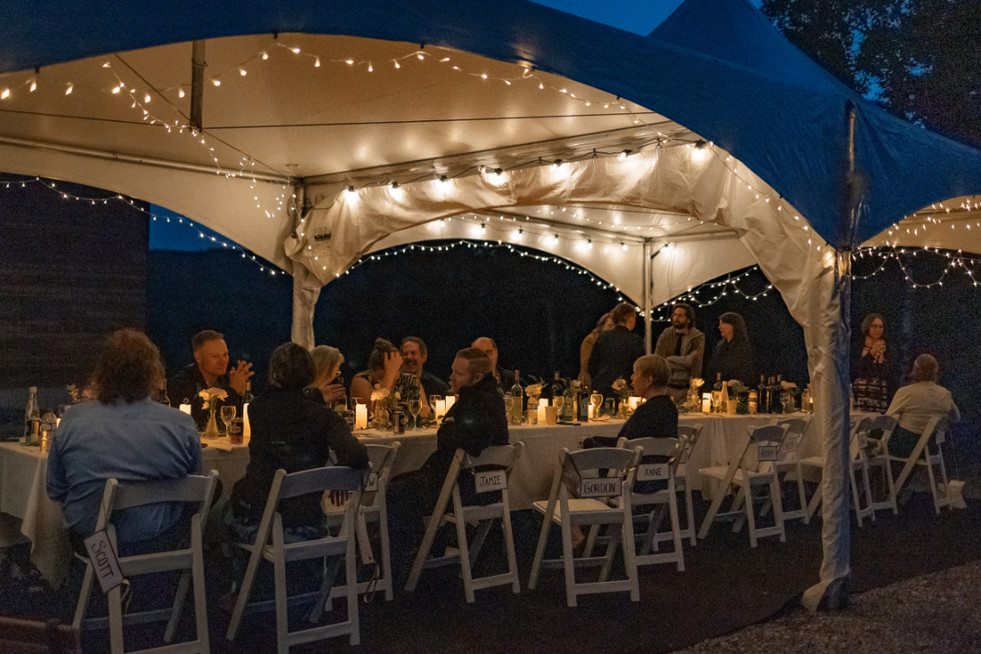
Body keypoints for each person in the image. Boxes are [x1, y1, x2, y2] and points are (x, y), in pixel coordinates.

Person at [47, 329, 202, 551]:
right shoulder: (181, 424)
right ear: (153, 373)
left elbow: (55, 489)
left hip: (93, 543)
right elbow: (194, 489)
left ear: (102, 373)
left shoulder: (73, 419)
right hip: (157, 542)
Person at [229, 343, 368, 538]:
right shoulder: (324, 416)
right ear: (310, 375)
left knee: (224, 512)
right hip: (308, 524)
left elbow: (276, 399)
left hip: (261, 526)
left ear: (275, 374)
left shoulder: (257, 410)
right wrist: (340, 477)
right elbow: (357, 455)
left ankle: (246, 567)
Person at [388, 347, 509, 545]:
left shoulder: (478, 402)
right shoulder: (489, 398)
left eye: (458, 373)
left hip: (465, 489)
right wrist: (450, 426)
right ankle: (428, 549)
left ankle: (407, 560)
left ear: (477, 377)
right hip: (486, 487)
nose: (451, 377)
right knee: (402, 482)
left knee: (395, 491)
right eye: (452, 370)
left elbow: (467, 439)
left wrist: (449, 427)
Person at [167, 329, 253, 431]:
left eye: (225, 354)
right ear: (198, 358)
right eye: (215, 356)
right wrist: (232, 392)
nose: (223, 361)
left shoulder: (227, 380)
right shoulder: (182, 383)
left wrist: (242, 395)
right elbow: (203, 421)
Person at [885, 354, 960, 460]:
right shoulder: (945, 394)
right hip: (932, 448)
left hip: (906, 447)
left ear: (915, 370)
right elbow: (956, 418)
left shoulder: (906, 392)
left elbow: (887, 419)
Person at [587, 302, 644, 399]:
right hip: (624, 392)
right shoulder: (635, 340)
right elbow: (640, 368)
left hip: (600, 389)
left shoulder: (603, 336)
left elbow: (592, 364)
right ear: (631, 317)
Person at [654, 302, 706, 403]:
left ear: (688, 319)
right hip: (667, 387)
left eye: (680, 315)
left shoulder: (697, 336)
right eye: (675, 315)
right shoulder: (666, 334)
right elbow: (659, 361)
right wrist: (685, 361)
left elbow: (694, 364)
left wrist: (669, 359)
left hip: (685, 389)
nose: (676, 318)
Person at [853, 313, 892, 412]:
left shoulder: (888, 349)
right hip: (860, 396)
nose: (878, 329)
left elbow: (889, 373)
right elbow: (855, 369)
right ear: (867, 327)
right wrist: (871, 354)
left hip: (880, 397)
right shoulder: (858, 347)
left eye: (880, 327)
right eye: (874, 326)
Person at [705, 312, 755, 387]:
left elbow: (745, 371)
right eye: (719, 324)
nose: (720, 327)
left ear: (734, 325)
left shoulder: (743, 347)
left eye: (723, 324)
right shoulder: (720, 346)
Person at [349, 338, 403, 407]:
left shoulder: (408, 380)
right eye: (382, 377)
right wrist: (389, 375)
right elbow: (374, 410)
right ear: (372, 371)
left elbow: (421, 413)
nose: (381, 381)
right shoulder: (361, 380)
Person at [578, 312, 614, 387]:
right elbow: (586, 363)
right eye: (609, 325)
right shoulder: (591, 339)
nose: (611, 329)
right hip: (589, 382)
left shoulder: (612, 341)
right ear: (602, 325)